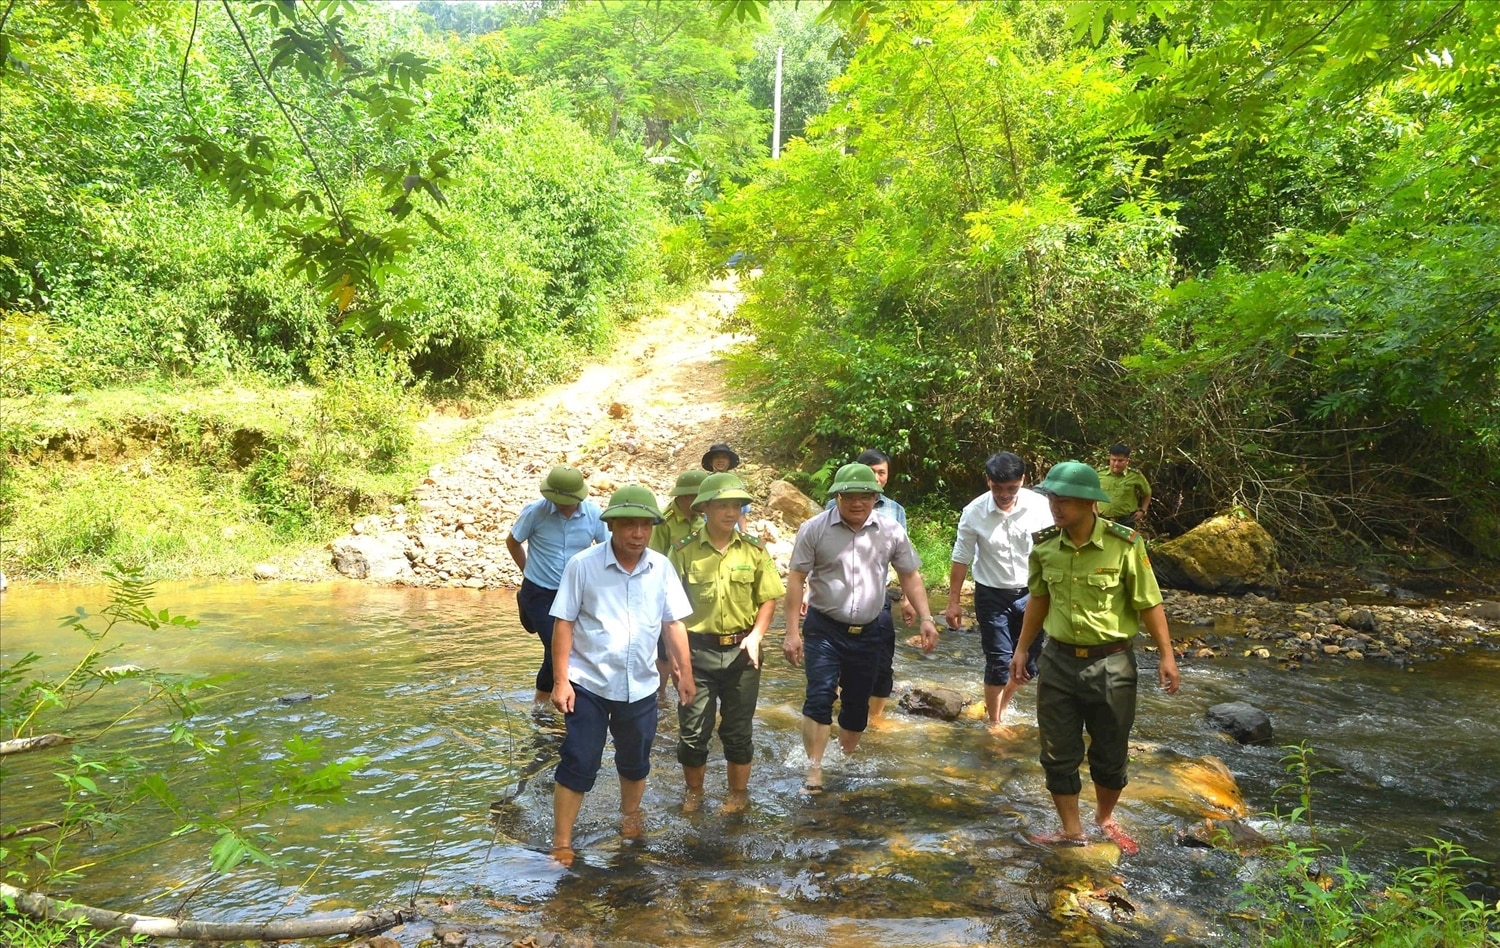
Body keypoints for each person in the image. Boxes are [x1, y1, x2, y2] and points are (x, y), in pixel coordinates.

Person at [1008, 461, 1179, 855]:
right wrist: (1021, 649)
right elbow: (1039, 599)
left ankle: (1104, 819)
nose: (1055, 507)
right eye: (1052, 498)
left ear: (1089, 503)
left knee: (1110, 749)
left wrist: (1167, 656)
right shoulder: (1046, 546)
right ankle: (1071, 829)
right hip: (1058, 662)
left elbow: (1150, 603)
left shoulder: (1125, 545)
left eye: (1064, 501)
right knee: (1057, 752)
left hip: (1112, 663)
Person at [548, 485, 696, 865]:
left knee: (635, 761)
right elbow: (563, 623)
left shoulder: (660, 566)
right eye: (628, 525)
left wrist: (684, 673)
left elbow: (673, 623)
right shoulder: (583, 565)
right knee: (579, 761)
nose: (637, 533)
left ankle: (630, 818)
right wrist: (561, 680)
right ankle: (562, 841)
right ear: (611, 526)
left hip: (642, 684)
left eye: (644, 525)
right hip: (589, 683)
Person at [782, 462, 940, 792]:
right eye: (850, 496)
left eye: (866, 496)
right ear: (837, 497)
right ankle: (815, 769)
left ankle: (843, 756)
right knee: (820, 696)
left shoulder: (890, 530)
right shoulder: (814, 529)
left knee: (856, 705)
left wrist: (926, 618)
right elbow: (796, 577)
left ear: (876, 497)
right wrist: (792, 632)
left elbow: (910, 575)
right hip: (824, 627)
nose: (858, 503)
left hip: (868, 630)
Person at [667, 473, 785, 813]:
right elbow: (669, 609)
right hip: (696, 651)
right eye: (722, 505)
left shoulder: (754, 550)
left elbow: (768, 597)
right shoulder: (683, 552)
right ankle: (694, 794)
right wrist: (677, 662)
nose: (731, 512)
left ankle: (737, 796)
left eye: (736, 505)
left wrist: (757, 636)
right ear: (705, 508)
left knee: (737, 732)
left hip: (742, 651)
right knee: (692, 733)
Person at [942, 451, 1053, 727]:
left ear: (1023, 480)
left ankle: (1002, 705)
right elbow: (961, 558)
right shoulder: (974, 512)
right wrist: (953, 602)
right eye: (998, 488)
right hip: (991, 595)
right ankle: (994, 722)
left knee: (1026, 663)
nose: (1004, 494)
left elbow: (1054, 551)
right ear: (987, 481)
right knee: (999, 660)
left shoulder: (1041, 507)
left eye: (1012, 488)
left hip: (1033, 594)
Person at [505, 466, 609, 707]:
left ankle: (540, 704)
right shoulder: (535, 512)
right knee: (560, 650)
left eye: (568, 501)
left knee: (554, 649)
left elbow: (606, 551)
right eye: (558, 500)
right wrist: (528, 571)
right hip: (538, 592)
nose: (563, 505)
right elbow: (513, 542)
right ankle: (565, 708)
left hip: (576, 594)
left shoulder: (593, 515)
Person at [822, 448, 913, 719]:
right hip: (838, 593)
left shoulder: (896, 511)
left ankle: (875, 720)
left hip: (877, 595)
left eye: (881, 472)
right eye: (870, 472)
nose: (876, 477)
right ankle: (840, 709)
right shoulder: (833, 507)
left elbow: (904, 561)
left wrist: (908, 599)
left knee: (882, 662)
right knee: (837, 661)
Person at [1097, 443, 1151, 530]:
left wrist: (1143, 510)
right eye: (1113, 460)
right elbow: (1092, 492)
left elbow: (1147, 493)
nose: (1116, 464)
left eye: (1120, 460)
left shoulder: (1135, 475)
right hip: (1102, 519)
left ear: (1127, 461)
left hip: (1126, 521)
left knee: (1126, 543)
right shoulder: (1099, 474)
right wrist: (1093, 510)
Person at [701, 442, 749, 529]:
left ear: (729, 462)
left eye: (724, 457)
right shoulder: (705, 484)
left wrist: (743, 534)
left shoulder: (736, 483)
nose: (720, 460)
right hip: (709, 530)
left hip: (732, 530)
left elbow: (742, 513)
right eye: (717, 457)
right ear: (711, 462)